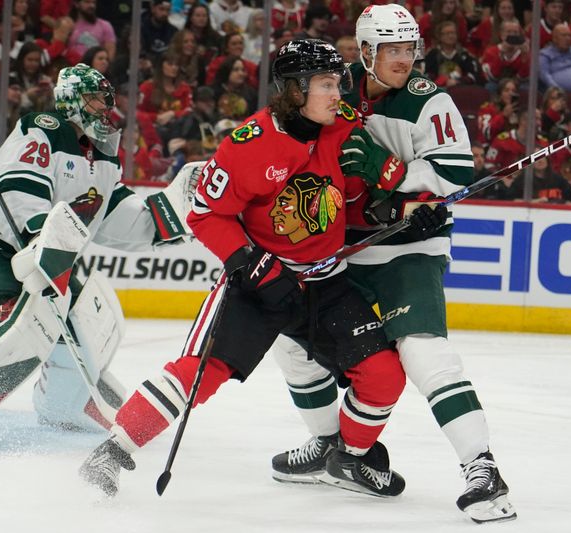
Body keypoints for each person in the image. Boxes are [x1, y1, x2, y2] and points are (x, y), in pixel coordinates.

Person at [79, 39, 409, 500]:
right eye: (327, 84)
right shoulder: (248, 145)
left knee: (384, 375)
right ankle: (111, 452)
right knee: (199, 372)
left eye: (338, 83)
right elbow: (204, 215)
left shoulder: (343, 127)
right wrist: (249, 263)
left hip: (326, 281)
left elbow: (358, 200)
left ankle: (345, 460)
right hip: (261, 281)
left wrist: (398, 205)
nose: (339, 94)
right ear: (295, 90)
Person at [268, 5, 516, 524]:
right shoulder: (332, 89)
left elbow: (452, 177)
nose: (405, 59)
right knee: (294, 340)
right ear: (365, 52)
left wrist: (391, 175)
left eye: (410, 49)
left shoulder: (431, 103)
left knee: (423, 353)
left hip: (407, 245)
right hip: (343, 245)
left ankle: (482, 467)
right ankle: (332, 449)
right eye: (392, 50)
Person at [0, 64, 190, 443]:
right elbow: (19, 187)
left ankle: (67, 402)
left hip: (42, 251)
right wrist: (41, 235)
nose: (105, 107)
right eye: (95, 98)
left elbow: (114, 215)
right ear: (72, 99)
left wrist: (171, 219)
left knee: (84, 312)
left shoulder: (103, 155)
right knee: (16, 315)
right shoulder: (43, 128)